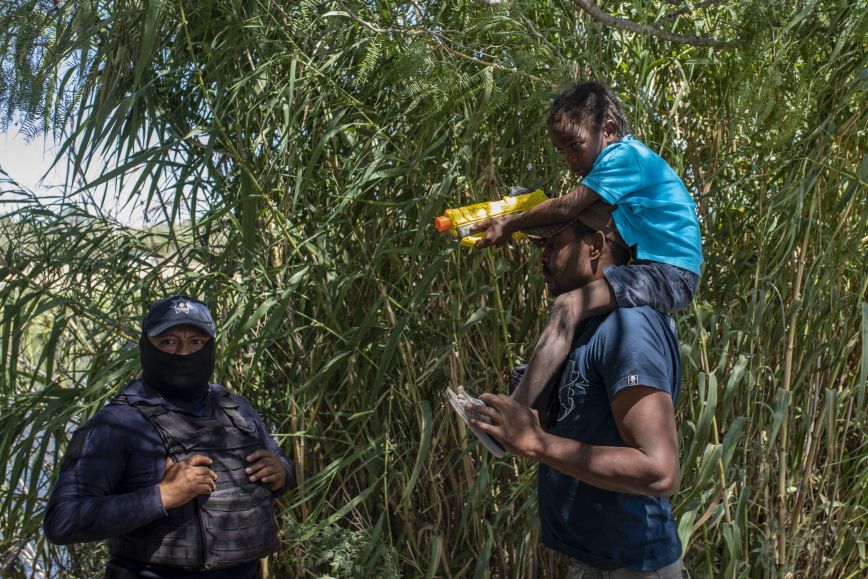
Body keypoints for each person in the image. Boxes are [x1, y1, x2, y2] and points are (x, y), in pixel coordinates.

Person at [468, 202, 686, 577]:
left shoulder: (627, 328)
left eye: (555, 245)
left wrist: (538, 442)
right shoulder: (586, 326)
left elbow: (659, 471)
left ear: (596, 246)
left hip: (633, 567)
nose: (544, 259)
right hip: (592, 563)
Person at [474, 81, 702, 413]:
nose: (569, 158)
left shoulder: (625, 157)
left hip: (668, 273)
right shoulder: (621, 166)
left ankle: (513, 414)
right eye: (561, 149)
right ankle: (538, 396)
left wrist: (509, 225)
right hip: (657, 267)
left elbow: (568, 208)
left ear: (607, 130)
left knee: (569, 307)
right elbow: (577, 218)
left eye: (574, 145)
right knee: (579, 312)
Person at [44, 296, 293, 578]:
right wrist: (162, 495)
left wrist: (280, 472)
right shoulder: (116, 424)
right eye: (168, 342)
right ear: (145, 348)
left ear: (210, 346)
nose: (184, 353)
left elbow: (279, 466)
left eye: (196, 342)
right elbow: (62, 520)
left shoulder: (236, 409)